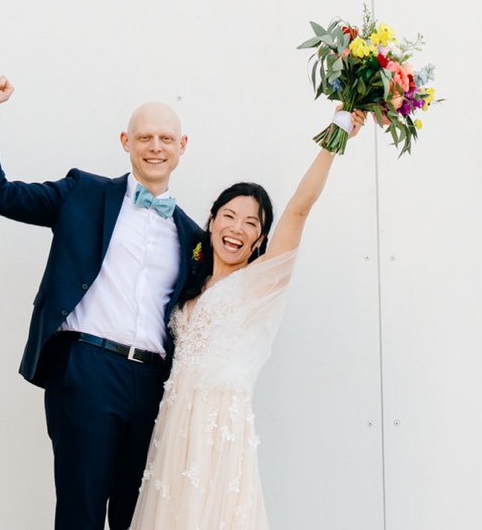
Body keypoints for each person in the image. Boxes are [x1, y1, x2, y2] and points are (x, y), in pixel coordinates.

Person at [0, 74, 207, 530]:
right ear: (125, 142)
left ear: (182, 145)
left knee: (141, 517)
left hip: (153, 384)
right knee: (82, 514)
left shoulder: (193, 237)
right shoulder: (82, 193)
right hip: (87, 370)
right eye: (145, 137)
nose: (155, 146)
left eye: (166, 138)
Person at [131, 109, 368, 530]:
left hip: (218, 425)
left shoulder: (259, 287)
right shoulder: (192, 282)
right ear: (212, 221)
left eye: (251, 223)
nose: (237, 228)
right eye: (229, 216)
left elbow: (298, 209)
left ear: (260, 240)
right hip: (174, 426)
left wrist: (339, 131)